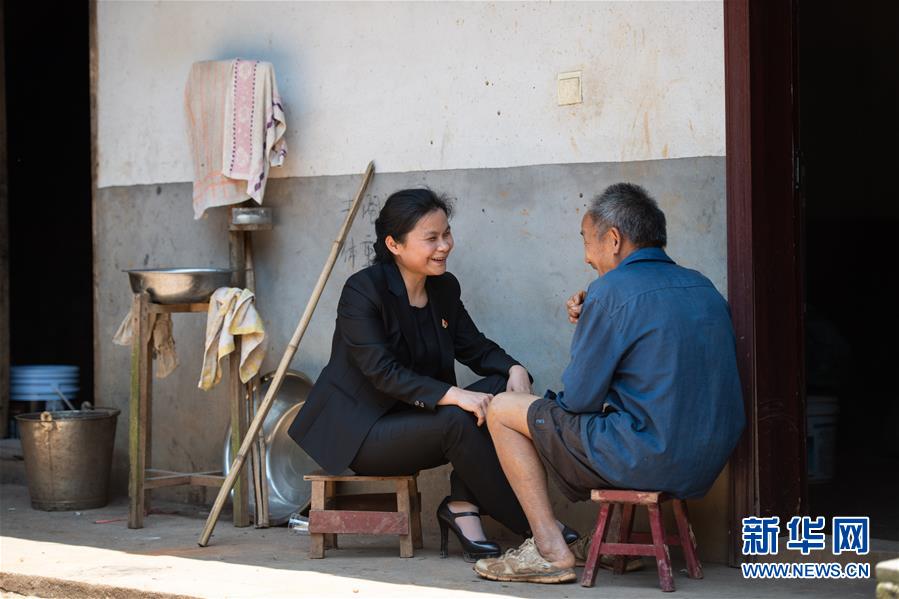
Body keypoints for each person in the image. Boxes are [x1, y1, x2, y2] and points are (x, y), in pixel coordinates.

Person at [474, 183, 745, 583]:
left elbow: (580, 399)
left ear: (614, 239)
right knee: (623, 413)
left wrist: (593, 322)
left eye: (587, 242)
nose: (587, 257)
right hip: (706, 460)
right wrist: (595, 322)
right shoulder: (702, 286)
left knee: (502, 408)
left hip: (648, 456)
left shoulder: (610, 291)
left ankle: (549, 548)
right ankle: (615, 541)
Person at [288, 188, 575, 562]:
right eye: (431, 238)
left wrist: (514, 369)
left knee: (498, 393)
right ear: (394, 244)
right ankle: (540, 529)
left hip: (417, 416)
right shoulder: (362, 291)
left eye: (446, 234)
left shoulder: (443, 287)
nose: (444, 246)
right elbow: (381, 371)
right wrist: (454, 395)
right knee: (459, 418)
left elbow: (474, 346)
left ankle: (461, 506)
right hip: (365, 433)